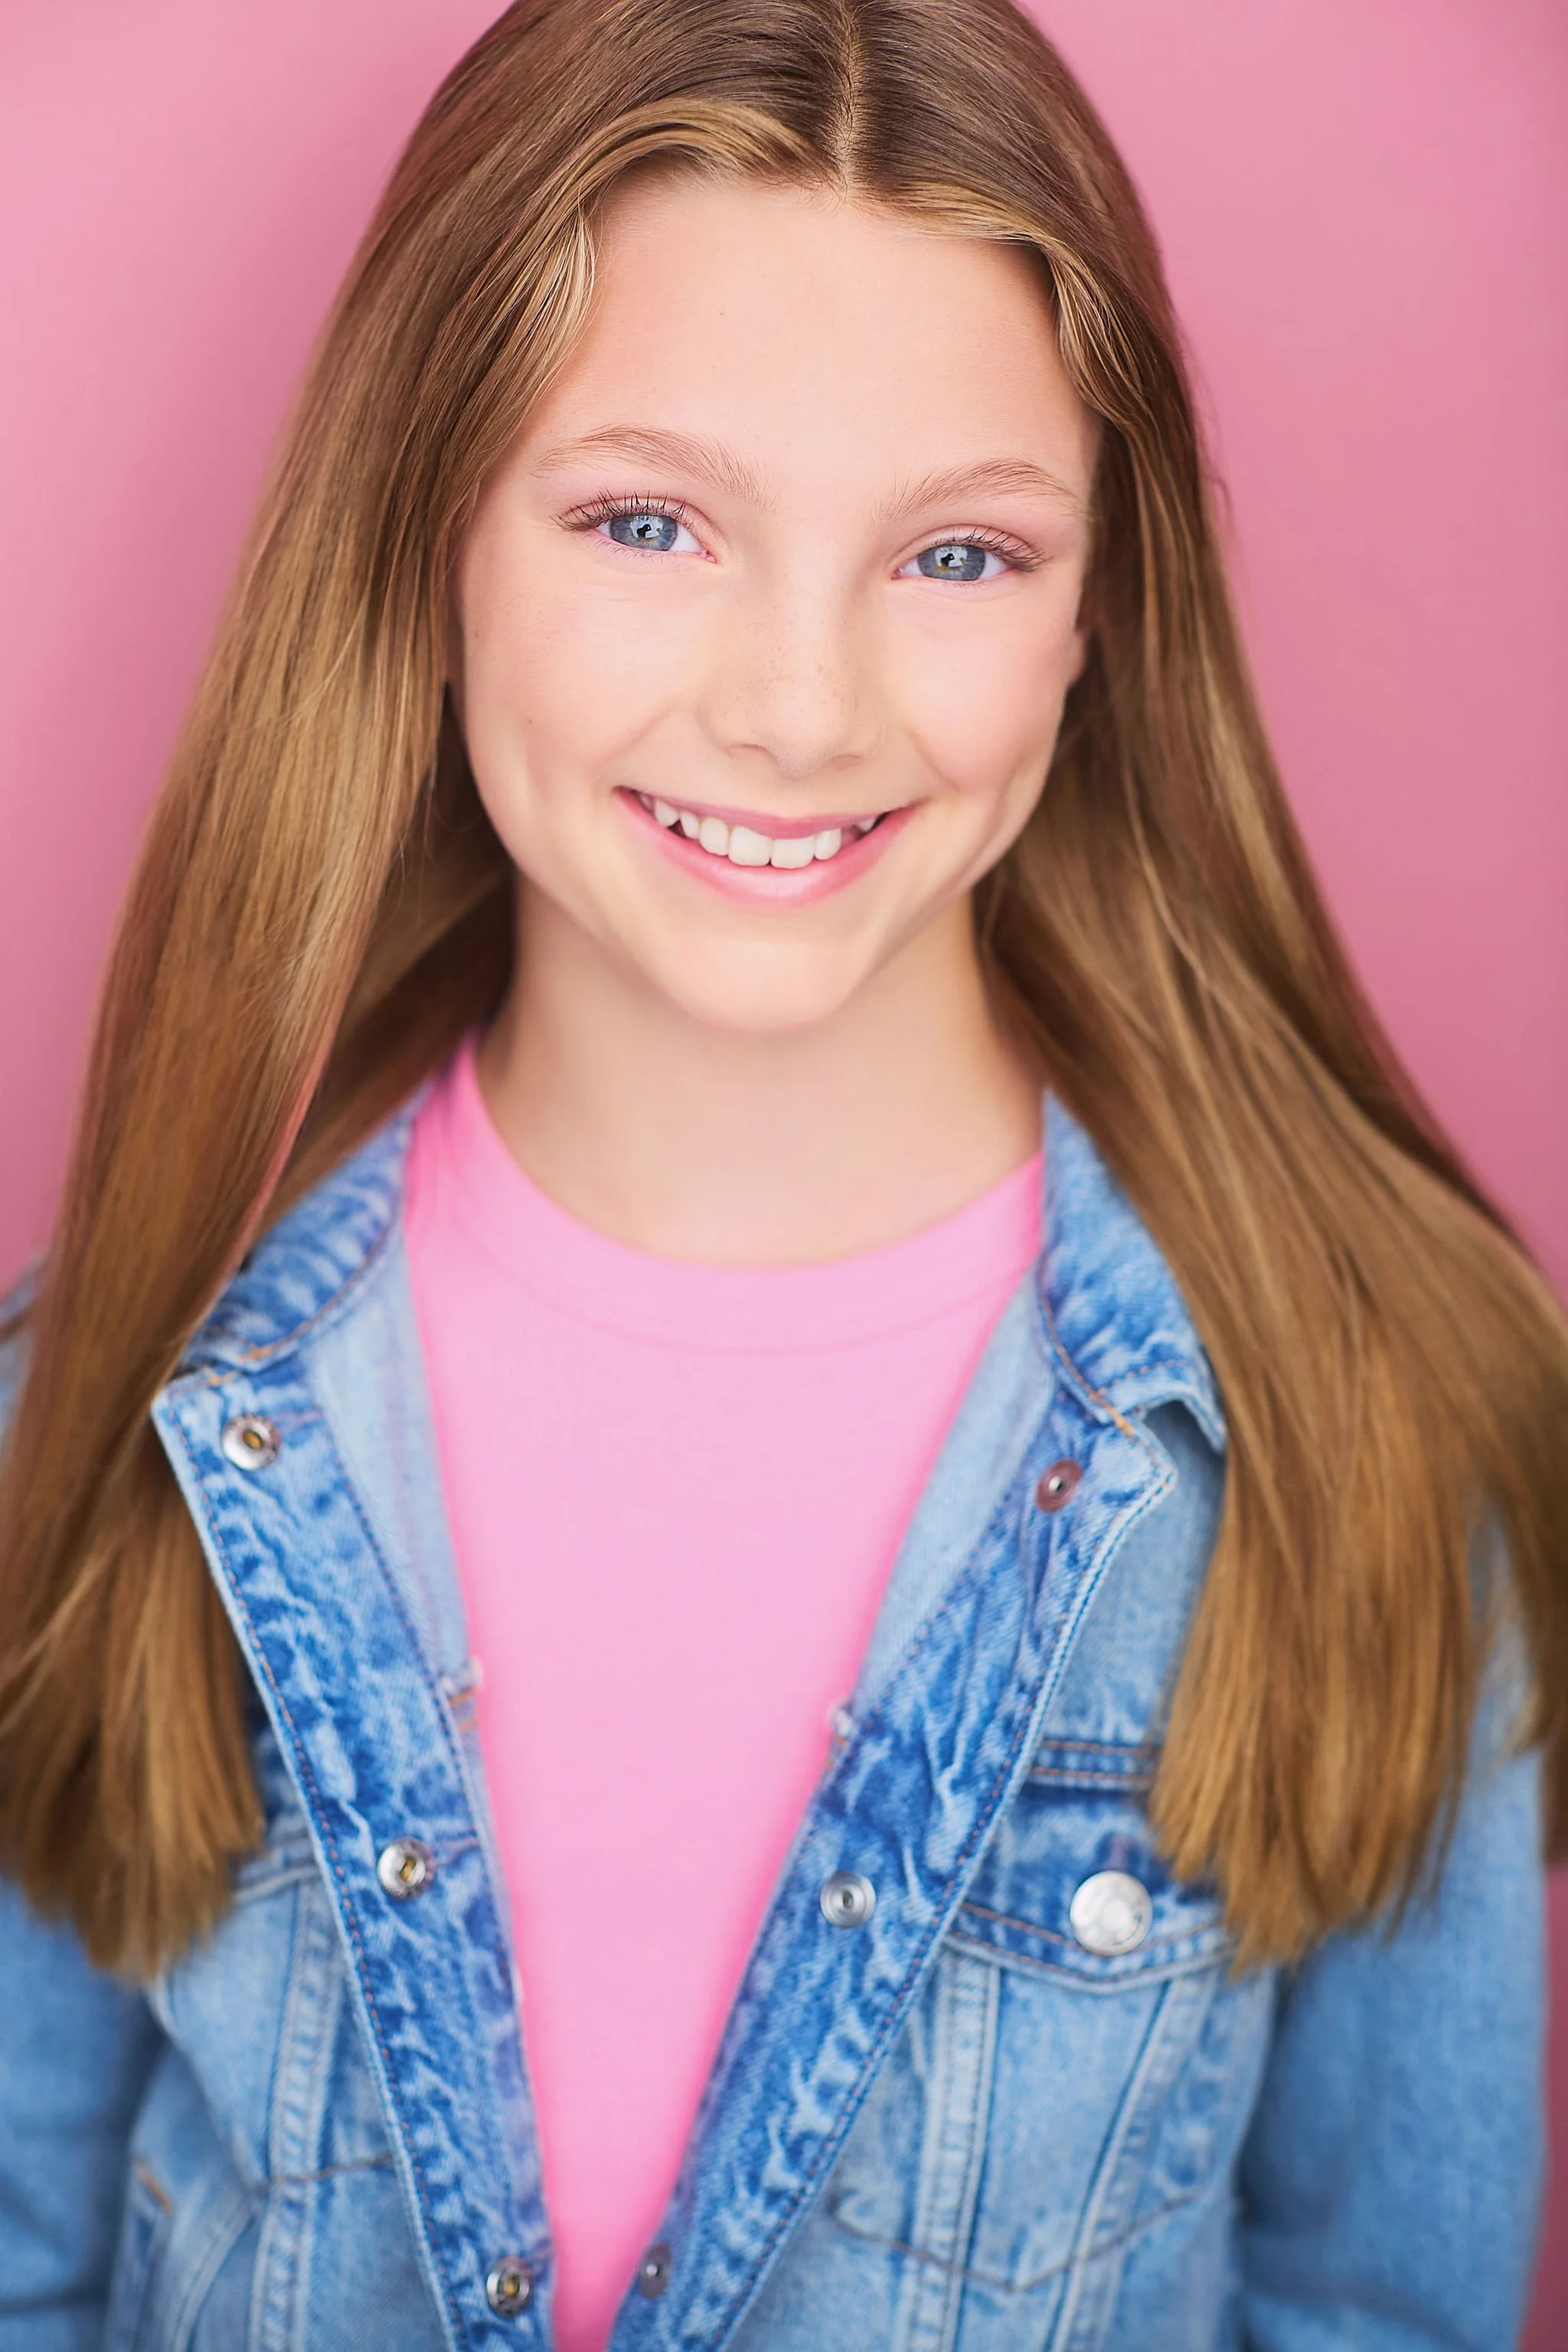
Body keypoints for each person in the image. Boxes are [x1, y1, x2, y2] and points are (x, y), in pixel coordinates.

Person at [1, 0, 1563, 2344]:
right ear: (424, 533)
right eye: (648, 520)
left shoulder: (1378, 1424)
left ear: (1094, 618)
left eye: (956, 554)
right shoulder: (102, 1406)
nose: (804, 706)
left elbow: (1385, 2306)